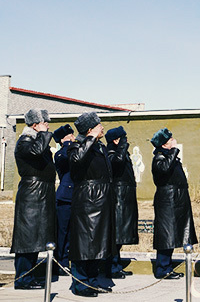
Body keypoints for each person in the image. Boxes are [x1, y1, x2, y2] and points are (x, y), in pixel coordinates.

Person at [68, 112, 115, 297]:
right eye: (98, 125)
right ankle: (80, 284)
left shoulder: (99, 147)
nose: (102, 128)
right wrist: (90, 139)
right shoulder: (76, 146)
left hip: (102, 201)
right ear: (89, 130)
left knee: (98, 245)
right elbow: (76, 160)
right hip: (87, 202)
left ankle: (93, 282)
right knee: (83, 245)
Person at [11, 109, 55, 290]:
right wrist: (44, 134)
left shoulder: (36, 140)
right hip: (31, 195)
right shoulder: (25, 141)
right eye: (44, 123)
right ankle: (22, 278)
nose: (48, 126)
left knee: (36, 237)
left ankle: (29, 276)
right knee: (27, 239)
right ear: (35, 125)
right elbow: (36, 152)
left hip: (41, 193)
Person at [151, 128, 197, 280]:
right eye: (170, 139)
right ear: (164, 144)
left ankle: (167, 267)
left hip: (176, 199)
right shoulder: (159, 157)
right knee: (166, 235)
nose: (173, 140)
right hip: (167, 200)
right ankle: (162, 269)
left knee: (172, 235)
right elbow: (164, 169)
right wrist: (174, 150)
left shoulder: (169, 156)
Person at [106, 126, 138, 278]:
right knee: (115, 235)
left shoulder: (122, 153)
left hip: (125, 197)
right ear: (116, 140)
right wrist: (122, 146)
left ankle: (116, 265)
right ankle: (112, 267)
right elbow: (117, 163)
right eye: (123, 138)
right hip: (117, 198)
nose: (127, 141)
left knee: (120, 236)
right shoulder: (111, 153)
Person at [53, 124, 75, 272]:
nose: (73, 137)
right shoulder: (60, 154)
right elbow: (66, 159)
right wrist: (67, 144)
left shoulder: (74, 151)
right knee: (62, 232)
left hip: (76, 197)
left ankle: (67, 261)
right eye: (70, 136)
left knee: (72, 233)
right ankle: (60, 262)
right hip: (65, 197)